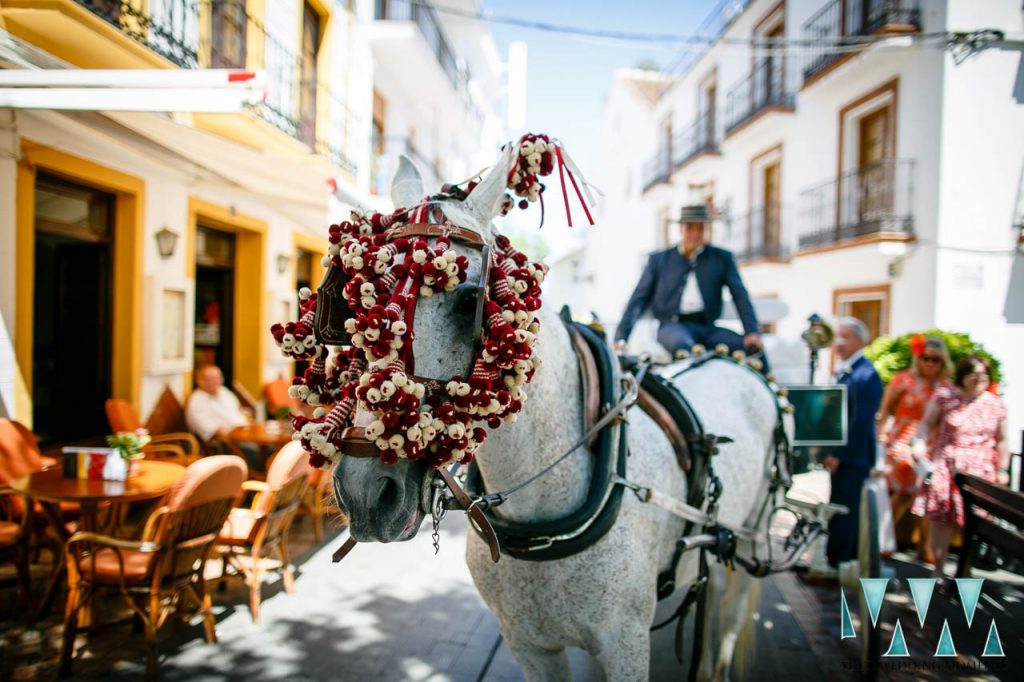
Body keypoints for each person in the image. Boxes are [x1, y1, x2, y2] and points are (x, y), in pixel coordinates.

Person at [613, 205, 765, 365]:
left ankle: (775, 389)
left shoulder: (721, 258)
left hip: (707, 327)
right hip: (672, 326)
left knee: (754, 350)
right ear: (681, 229)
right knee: (686, 350)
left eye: (700, 228)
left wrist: (752, 332)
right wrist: (621, 336)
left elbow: (740, 295)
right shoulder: (659, 260)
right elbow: (639, 298)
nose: (695, 233)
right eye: (690, 227)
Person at [912, 356, 1009, 580]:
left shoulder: (996, 404)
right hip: (948, 464)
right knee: (941, 519)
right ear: (963, 376)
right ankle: (937, 568)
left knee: (974, 521)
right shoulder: (946, 397)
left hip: (980, 469)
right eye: (973, 375)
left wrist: (1002, 469)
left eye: (983, 376)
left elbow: (1003, 439)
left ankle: (966, 567)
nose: (978, 380)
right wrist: (919, 444)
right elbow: (926, 423)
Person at [824, 318, 883, 568]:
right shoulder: (845, 369)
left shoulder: (866, 374)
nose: (838, 343)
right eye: (837, 337)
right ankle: (836, 558)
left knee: (846, 510)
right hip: (843, 456)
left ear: (860, 340)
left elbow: (860, 421)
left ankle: (841, 562)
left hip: (853, 457)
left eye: (844, 337)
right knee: (838, 505)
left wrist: (840, 455)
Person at [876, 336, 953, 527]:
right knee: (905, 488)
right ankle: (882, 537)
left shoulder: (946, 387)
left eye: (935, 359)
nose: (929, 363)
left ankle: (924, 548)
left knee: (930, 491)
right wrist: (881, 436)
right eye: (924, 357)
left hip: (932, 443)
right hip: (902, 439)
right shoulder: (903, 380)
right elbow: (885, 409)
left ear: (942, 362)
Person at [186, 365, 258, 468]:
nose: (217, 381)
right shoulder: (196, 401)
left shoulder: (224, 392)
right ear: (200, 381)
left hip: (245, 434)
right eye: (212, 378)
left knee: (272, 446)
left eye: (219, 377)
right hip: (224, 444)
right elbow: (213, 431)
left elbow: (240, 411)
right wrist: (242, 436)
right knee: (257, 450)